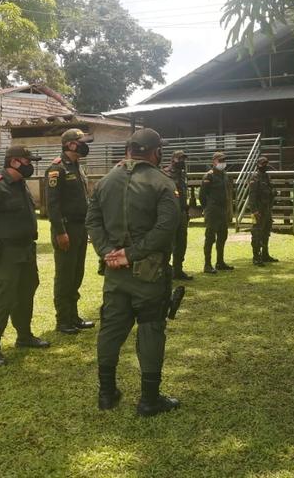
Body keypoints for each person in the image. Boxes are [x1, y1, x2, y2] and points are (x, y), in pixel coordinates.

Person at [86, 128, 181, 416]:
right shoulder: (163, 183)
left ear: (128, 150)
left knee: (111, 329)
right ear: (156, 152)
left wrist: (108, 253)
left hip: (114, 272)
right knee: (151, 330)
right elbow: (166, 228)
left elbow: (92, 221)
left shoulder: (104, 181)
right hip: (149, 274)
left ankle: (106, 394)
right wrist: (132, 253)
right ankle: (149, 400)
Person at [0, 145, 50, 366]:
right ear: (14, 162)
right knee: (2, 298)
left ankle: (24, 336)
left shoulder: (21, 185)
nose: (31, 165)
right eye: (28, 161)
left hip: (26, 251)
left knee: (25, 293)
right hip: (5, 253)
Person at [46, 128, 95, 335]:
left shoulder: (77, 167)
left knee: (77, 273)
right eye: (81, 141)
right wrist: (60, 232)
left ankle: (73, 316)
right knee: (65, 275)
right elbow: (52, 205)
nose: (85, 145)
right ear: (71, 144)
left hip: (80, 227)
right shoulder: (57, 169)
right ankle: (63, 320)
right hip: (66, 228)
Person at [199, 151, 234, 274]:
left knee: (222, 236)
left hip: (223, 211)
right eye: (220, 160)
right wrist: (208, 208)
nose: (223, 163)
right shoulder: (209, 176)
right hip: (213, 211)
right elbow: (202, 195)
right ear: (214, 162)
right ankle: (207, 265)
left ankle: (220, 262)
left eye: (224, 160)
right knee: (210, 238)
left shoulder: (225, 175)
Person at [163, 150, 193, 281]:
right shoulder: (165, 173)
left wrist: (186, 212)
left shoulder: (182, 175)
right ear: (173, 159)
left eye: (184, 159)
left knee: (181, 243)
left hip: (181, 212)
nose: (183, 162)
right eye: (180, 159)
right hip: (169, 213)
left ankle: (178, 270)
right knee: (168, 243)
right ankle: (164, 271)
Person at [248, 155, 278, 266]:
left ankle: (265, 255)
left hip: (267, 209)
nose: (265, 166)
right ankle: (256, 257)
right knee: (256, 233)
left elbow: (270, 190)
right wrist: (254, 211)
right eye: (263, 164)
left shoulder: (266, 177)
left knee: (266, 233)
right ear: (258, 165)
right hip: (258, 211)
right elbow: (252, 196)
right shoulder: (255, 178)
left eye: (266, 163)